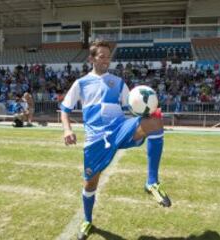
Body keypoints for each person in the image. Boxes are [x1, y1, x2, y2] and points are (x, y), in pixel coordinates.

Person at [60, 40, 171, 240]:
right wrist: (67, 129)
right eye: (101, 56)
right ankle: (87, 220)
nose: (106, 60)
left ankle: (151, 182)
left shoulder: (118, 82)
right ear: (91, 58)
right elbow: (65, 109)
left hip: (120, 128)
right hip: (96, 140)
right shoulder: (81, 83)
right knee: (89, 185)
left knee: (155, 121)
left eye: (108, 57)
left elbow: (132, 108)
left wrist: (148, 108)